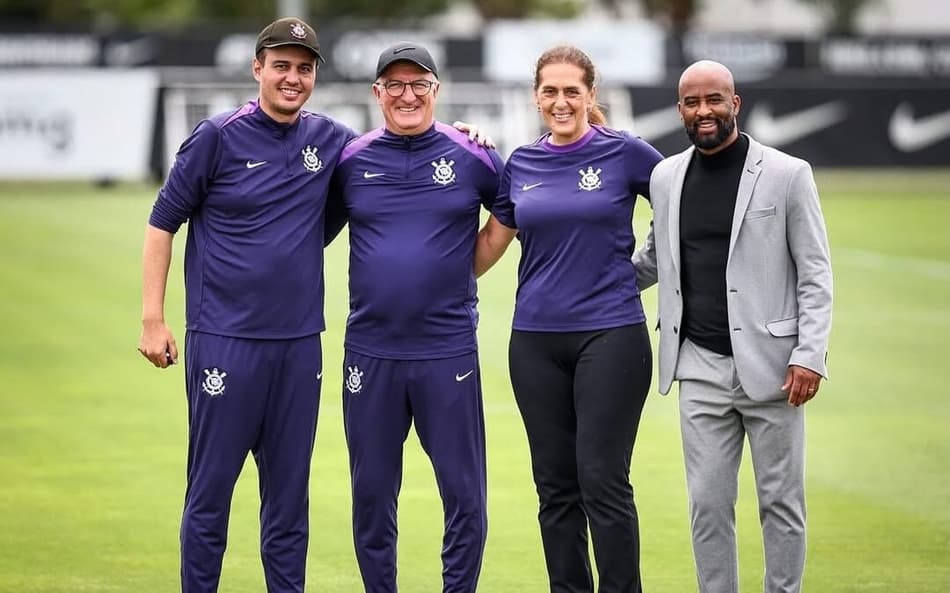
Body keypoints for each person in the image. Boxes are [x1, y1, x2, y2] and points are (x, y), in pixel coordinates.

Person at [137, 17, 360, 593]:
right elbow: (162, 222)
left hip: (299, 346)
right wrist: (153, 318)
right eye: (281, 65)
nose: (292, 78)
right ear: (257, 67)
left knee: (288, 503)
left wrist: (467, 135)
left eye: (304, 68)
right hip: (224, 341)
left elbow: (393, 151)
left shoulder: (332, 140)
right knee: (210, 494)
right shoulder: (217, 136)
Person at [631, 60, 833, 593]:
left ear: (734, 104)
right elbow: (653, 260)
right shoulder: (665, 177)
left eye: (714, 100)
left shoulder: (788, 174)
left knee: (780, 503)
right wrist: (580, 279)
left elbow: (815, 272)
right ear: (680, 109)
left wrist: (809, 353)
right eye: (692, 102)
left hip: (776, 369)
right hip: (698, 366)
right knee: (708, 505)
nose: (704, 111)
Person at [473, 45, 663, 593]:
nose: (561, 101)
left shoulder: (625, 152)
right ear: (536, 97)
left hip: (611, 335)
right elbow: (487, 247)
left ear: (590, 95)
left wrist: (642, 270)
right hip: (534, 343)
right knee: (555, 488)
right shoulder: (521, 163)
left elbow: (681, 202)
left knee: (603, 480)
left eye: (571, 91)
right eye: (550, 91)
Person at [324, 42, 505, 593]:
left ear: (436, 90)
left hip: (447, 351)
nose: (408, 95)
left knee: (464, 494)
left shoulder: (472, 154)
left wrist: (461, 269)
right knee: (372, 495)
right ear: (377, 92)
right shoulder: (351, 160)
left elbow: (511, 211)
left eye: (419, 84)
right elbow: (307, 229)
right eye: (395, 85)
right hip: (370, 351)